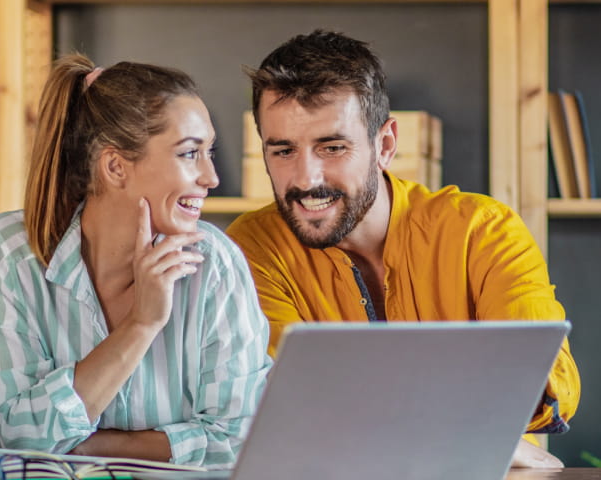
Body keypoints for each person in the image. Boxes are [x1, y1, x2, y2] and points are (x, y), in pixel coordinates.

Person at [224, 30, 580, 467]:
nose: (305, 178)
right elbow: (291, 401)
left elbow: (544, 383)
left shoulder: (484, 230)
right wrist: (463, 424)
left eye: (332, 147)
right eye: (282, 150)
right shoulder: (251, 246)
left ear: (385, 145)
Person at [0, 53, 271, 468]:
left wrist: (86, 446)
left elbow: (241, 440)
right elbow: (19, 433)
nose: (211, 178)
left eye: (208, 152)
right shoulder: (9, 252)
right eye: (188, 154)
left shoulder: (215, 264)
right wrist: (141, 325)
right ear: (115, 166)